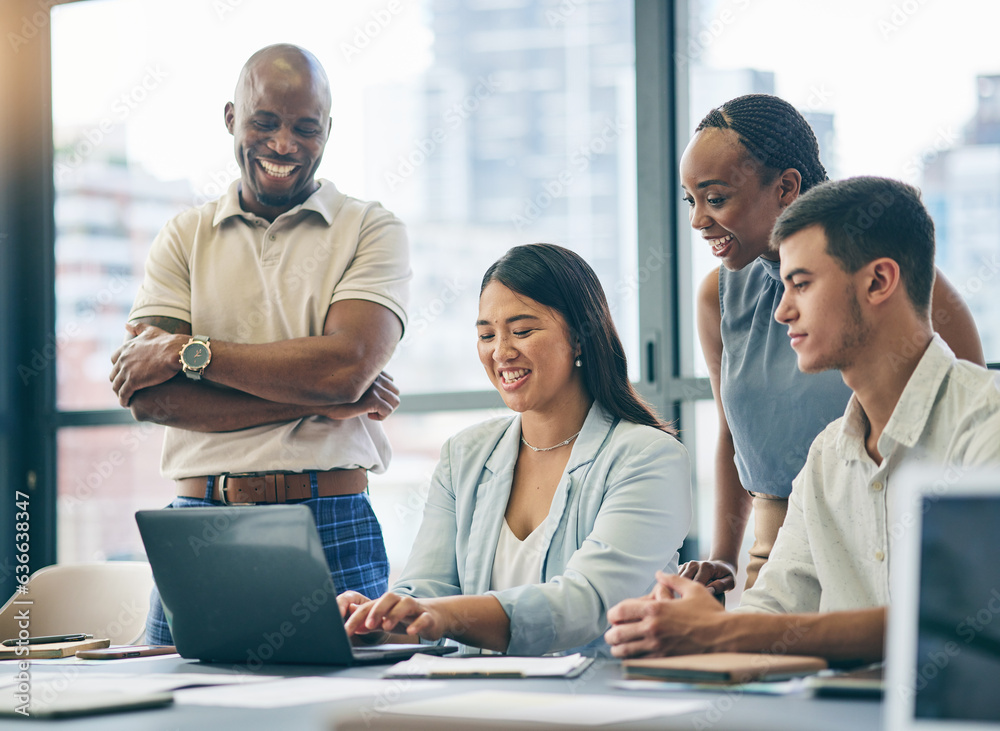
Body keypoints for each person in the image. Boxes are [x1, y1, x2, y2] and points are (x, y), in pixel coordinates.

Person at [605, 176, 1000, 662]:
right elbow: (772, 610)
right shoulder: (826, 456)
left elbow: (958, 620)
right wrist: (684, 625)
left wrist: (721, 634)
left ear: (878, 281)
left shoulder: (986, 424)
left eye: (802, 284)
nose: (782, 311)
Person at [109, 44, 411, 645]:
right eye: (264, 122)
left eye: (305, 128)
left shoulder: (372, 228)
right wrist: (316, 398)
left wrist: (184, 351)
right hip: (200, 520)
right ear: (231, 119)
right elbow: (152, 401)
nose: (283, 144)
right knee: (174, 711)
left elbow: (345, 370)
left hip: (331, 518)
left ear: (328, 131)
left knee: (338, 712)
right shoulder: (182, 235)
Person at [680, 94, 985, 595]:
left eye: (715, 199)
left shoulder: (890, 278)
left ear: (785, 187)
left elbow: (961, 406)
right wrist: (723, 559)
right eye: (690, 201)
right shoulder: (718, 296)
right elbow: (733, 435)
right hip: (776, 554)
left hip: (890, 546)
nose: (697, 220)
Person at [337, 244, 692, 656]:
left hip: (599, 703)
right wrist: (381, 622)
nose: (501, 352)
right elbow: (427, 590)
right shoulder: (464, 455)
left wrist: (444, 615)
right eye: (487, 335)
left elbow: (586, 603)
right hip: (478, 703)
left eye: (522, 331)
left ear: (579, 337)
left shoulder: (649, 457)